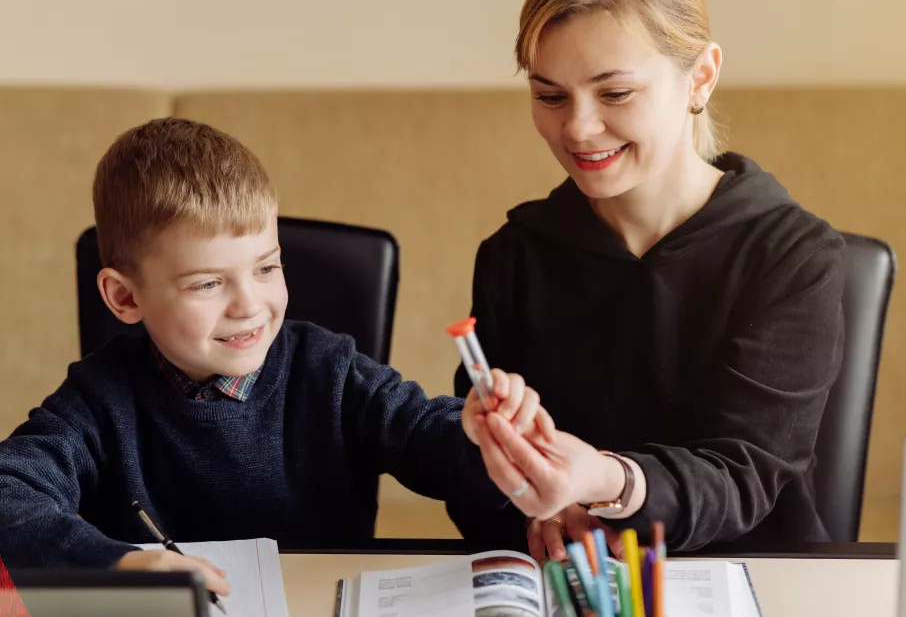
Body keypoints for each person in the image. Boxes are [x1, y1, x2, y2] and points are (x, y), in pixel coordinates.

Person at [0, 117, 554, 596]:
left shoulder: (329, 370)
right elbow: (8, 492)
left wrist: (477, 437)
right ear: (124, 297)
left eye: (267, 268)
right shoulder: (100, 398)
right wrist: (116, 563)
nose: (250, 306)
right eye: (208, 283)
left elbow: (425, 436)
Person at [457, 0, 845, 560]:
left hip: (754, 573)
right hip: (570, 577)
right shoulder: (515, 254)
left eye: (615, 93)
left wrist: (605, 483)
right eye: (549, 96)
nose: (579, 129)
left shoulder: (791, 256)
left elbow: (742, 473)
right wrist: (522, 487)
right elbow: (474, 479)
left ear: (701, 78)